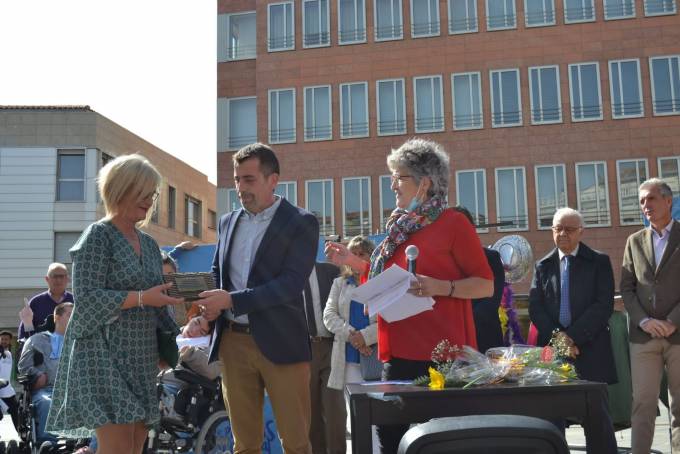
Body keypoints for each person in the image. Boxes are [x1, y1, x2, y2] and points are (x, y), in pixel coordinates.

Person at [327, 138, 494, 453]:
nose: (392, 185)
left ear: (424, 183)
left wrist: (441, 287)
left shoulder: (454, 223)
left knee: (441, 445)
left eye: (399, 177)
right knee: (391, 441)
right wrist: (353, 263)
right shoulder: (399, 228)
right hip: (398, 356)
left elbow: (485, 284)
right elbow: (387, 280)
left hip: (442, 358)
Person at [45, 154, 183, 454]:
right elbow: (87, 299)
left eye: (152, 194)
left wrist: (173, 340)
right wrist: (142, 297)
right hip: (102, 354)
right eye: (143, 192)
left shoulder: (150, 244)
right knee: (118, 447)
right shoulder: (98, 236)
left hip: (141, 357)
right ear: (121, 188)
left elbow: (157, 302)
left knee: (134, 446)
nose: (149, 201)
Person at [198, 143, 319, 454]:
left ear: (273, 180)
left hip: (283, 343)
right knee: (244, 445)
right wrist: (208, 308)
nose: (240, 187)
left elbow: (290, 284)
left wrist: (230, 301)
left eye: (249, 179)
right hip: (232, 344)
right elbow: (218, 272)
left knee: (295, 443)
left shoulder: (301, 222)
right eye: (237, 179)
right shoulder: (227, 222)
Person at [528, 207, 618, 453]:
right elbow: (536, 308)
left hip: (590, 347)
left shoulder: (598, 262)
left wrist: (573, 337)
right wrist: (561, 340)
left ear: (581, 232)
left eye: (569, 229)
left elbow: (603, 305)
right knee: (552, 416)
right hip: (555, 351)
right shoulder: (543, 265)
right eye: (558, 229)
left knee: (597, 416)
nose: (562, 234)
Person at [621, 178, 680, 453]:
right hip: (643, 337)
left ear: (668, 201)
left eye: (651, 198)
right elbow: (627, 288)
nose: (646, 205)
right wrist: (644, 321)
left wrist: (672, 321)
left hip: (678, 334)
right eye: (642, 200)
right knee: (643, 403)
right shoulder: (633, 241)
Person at [323, 236, 379, 447]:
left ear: (371, 256)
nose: (355, 257)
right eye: (352, 253)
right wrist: (353, 335)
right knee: (356, 415)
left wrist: (366, 337)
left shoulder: (379, 282)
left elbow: (388, 319)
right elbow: (329, 316)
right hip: (348, 360)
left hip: (376, 358)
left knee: (379, 417)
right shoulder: (339, 283)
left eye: (361, 254)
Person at [17, 302, 73, 444]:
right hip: (47, 390)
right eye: (70, 314)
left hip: (75, 391)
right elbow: (23, 366)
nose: (75, 317)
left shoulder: (80, 342)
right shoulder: (37, 340)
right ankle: (48, 445)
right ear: (57, 317)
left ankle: (92, 446)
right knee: (47, 403)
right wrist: (38, 375)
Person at [303, 261, 343, 454]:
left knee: (335, 411)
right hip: (303, 350)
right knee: (310, 415)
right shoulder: (286, 275)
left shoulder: (331, 271)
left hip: (331, 347)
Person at [454, 206, 505, 353]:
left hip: (485, 338)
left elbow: (492, 299)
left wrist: (463, 322)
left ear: (471, 229)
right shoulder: (444, 261)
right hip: (452, 340)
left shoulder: (491, 257)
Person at [19, 263, 74, 339]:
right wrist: (28, 325)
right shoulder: (36, 302)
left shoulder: (76, 301)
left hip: (71, 345)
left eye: (62, 276)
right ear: (47, 279)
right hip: (41, 345)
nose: (58, 280)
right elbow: (25, 335)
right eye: (55, 276)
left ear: (67, 279)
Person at [0, 330, 19, 431]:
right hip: (0, 390)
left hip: (8, 391)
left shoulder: (9, 354)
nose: (3, 341)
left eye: (6, 339)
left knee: (15, 412)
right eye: (2, 339)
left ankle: (17, 434)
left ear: (10, 341)